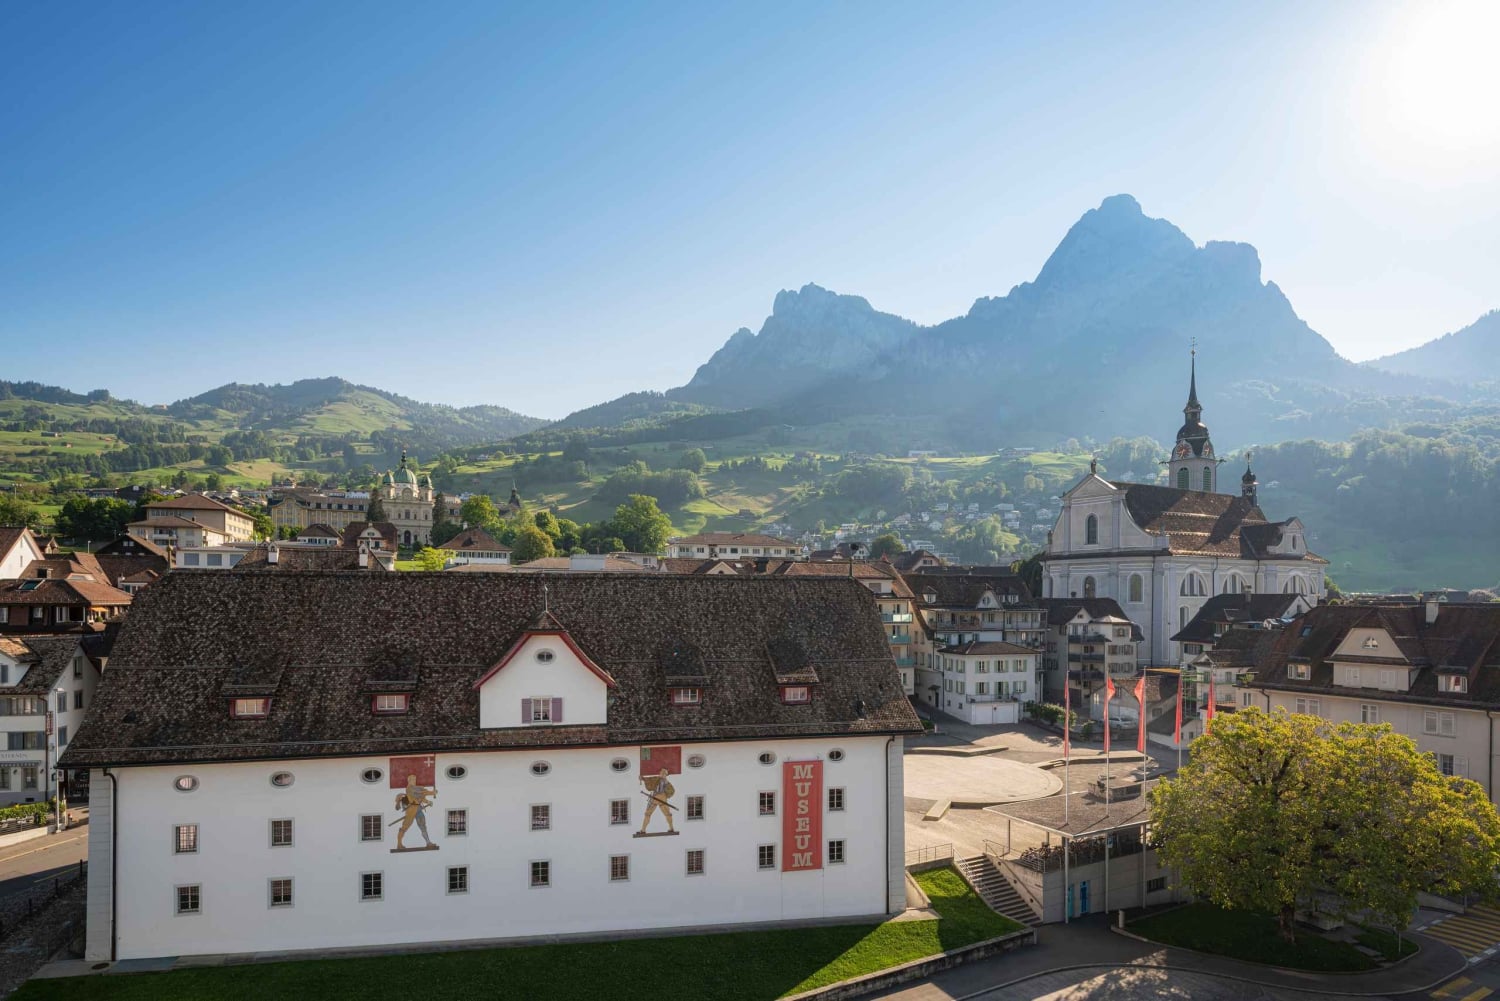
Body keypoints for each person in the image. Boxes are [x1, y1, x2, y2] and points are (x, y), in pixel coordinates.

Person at [393, 774, 437, 849]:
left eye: (415, 779)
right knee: (405, 827)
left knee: (423, 826)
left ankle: (428, 843)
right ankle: (399, 844)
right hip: (411, 810)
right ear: (409, 781)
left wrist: (428, 802)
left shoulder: (416, 788)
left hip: (418, 809)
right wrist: (432, 792)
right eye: (412, 779)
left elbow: (420, 797)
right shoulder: (409, 788)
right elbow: (420, 792)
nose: (414, 781)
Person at [639, 768, 675, 834]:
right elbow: (650, 780)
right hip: (655, 797)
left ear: (666, 774)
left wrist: (666, 794)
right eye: (661, 772)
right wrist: (643, 778)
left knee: (667, 814)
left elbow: (671, 791)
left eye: (664, 773)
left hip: (661, 798)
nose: (662, 774)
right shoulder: (656, 779)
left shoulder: (667, 783)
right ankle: (643, 830)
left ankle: (671, 828)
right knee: (647, 814)